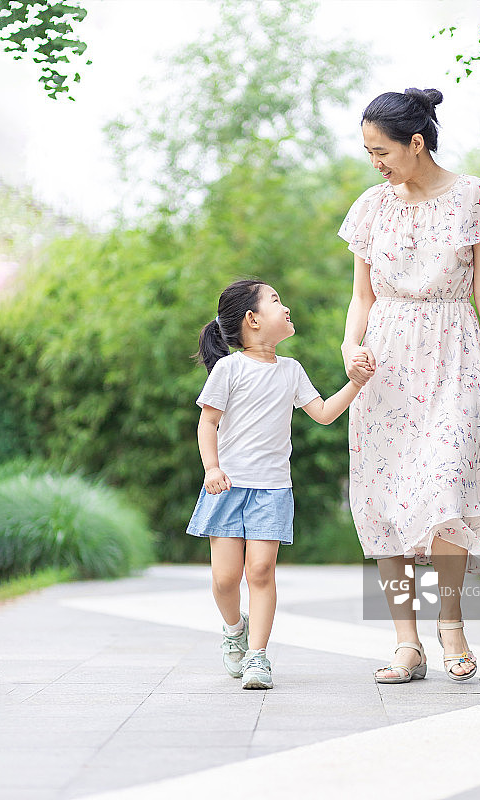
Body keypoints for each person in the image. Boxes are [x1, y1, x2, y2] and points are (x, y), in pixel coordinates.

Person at [338, 88, 480, 683]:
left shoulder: (473, 198)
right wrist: (349, 345)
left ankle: (451, 625)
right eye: (368, 152)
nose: (375, 163)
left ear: (417, 142)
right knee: (384, 496)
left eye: (382, 150)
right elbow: (361, 295)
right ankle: (405, 643)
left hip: (454, 354)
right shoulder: (370, 207)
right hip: (384, 361)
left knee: (447, 485)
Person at [187, 279, 373, 689]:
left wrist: (356, 384)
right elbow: (208, 422)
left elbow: (323, 413)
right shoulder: (229, 368)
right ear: (252, 320)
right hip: (227, 486)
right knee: (224, 579)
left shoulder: (291, 371)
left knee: (260, 571)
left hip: (272, 489)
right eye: (276, 301)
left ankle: (257, 657)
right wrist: (211, 468)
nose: (286, 308)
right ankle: (234, 629)